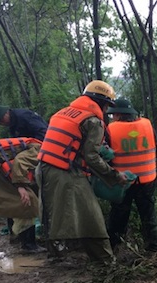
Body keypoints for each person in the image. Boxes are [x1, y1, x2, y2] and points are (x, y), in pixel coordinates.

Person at [37, 80, 128, 263]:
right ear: (102, 103)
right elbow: (91, 157)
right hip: (64, 173)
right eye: (106, 106)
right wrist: (115, 175)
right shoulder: (93, 121)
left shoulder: (63, 113)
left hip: (43, 168)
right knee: (90, 214)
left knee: (51, 213)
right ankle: (104, 259)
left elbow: (71, 143)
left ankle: (55, 254)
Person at [106, 98, 157, 252]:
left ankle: (114, 248)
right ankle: (153, 249)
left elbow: (106, 156)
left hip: (123, 181)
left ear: (117, 114)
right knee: (148, 216)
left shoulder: (111, 129)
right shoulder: (147, 125)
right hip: (147, 179)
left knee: (118, 216)